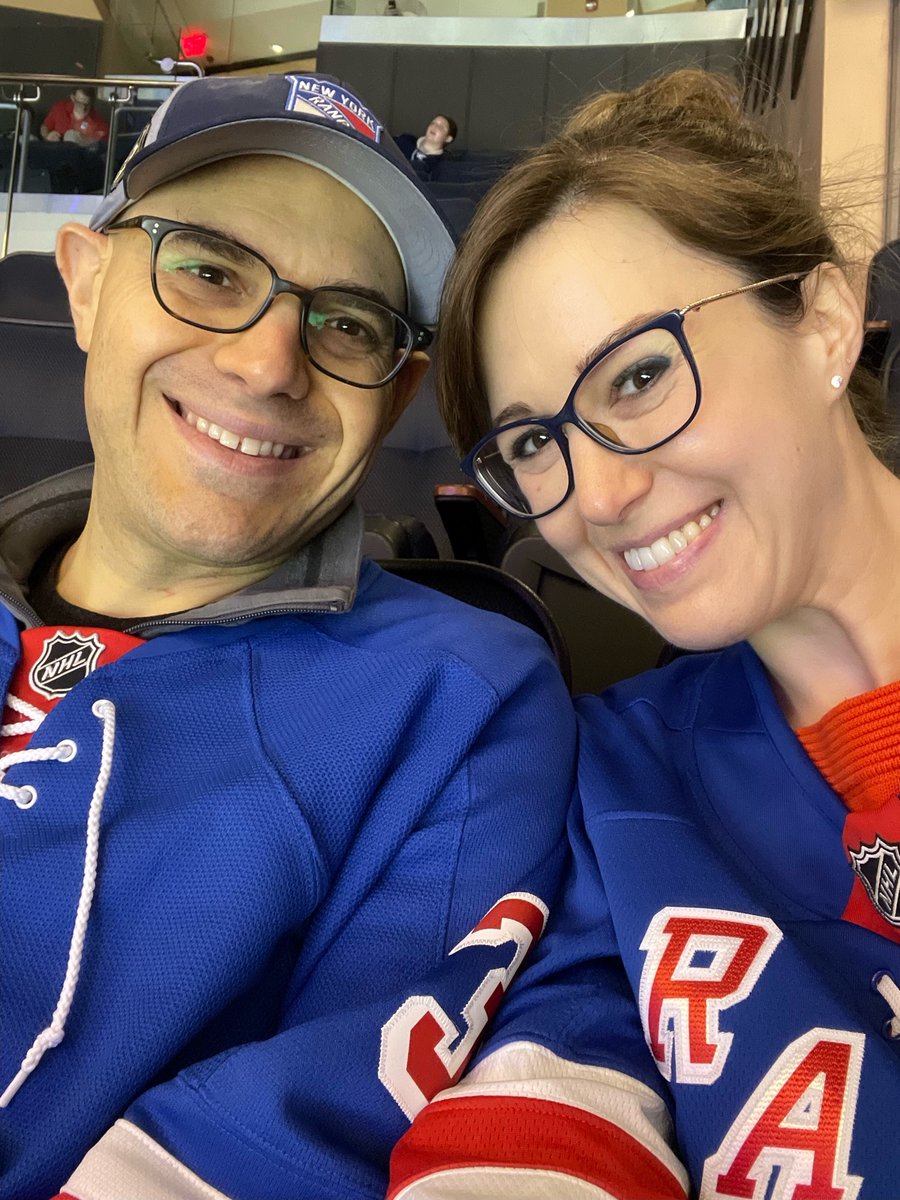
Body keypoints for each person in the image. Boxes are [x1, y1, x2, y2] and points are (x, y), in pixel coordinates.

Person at [0, 72, 575, 1199]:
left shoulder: (457, 698)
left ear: (397, 391)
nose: (270, 363)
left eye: (347, 321)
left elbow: (304, 1132)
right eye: (209, 269)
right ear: (86, 283)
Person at [389, 69, 900, 1198]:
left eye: (640, 374)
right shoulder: (616, 780)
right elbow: (544, 1112)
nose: (601, 495)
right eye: (532, 443)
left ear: (823, 321)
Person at [40, 86, 109, 146]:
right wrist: (48, 136)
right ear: (73, 98)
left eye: (87, 104)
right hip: (56, 152)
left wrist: (81, 139)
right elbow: (45, 126)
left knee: (71, 136)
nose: (83, 107)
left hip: (80, 156)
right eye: (80, 103)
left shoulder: (98, 121)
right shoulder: (60, 108)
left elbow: (100, 142)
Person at [395, 115, 457, 179]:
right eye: (433, 123)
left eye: (441, 127)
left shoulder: (442, 164)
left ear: (448, 138)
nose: (435, 127)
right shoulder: (405, 140)